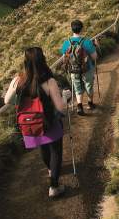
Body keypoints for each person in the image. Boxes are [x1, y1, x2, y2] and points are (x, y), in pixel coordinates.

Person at [5, 47, 67, 198]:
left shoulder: (18, 80)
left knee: (44, 148)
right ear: (43, 60)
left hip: (30, 124)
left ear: (25, 62)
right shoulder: (49, 81)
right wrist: (65, 96)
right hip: (49, 122)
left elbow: (7, 101)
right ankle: (54, 186)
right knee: (56, 152)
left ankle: (51, 171)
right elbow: (60, 108)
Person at [60, 20, 98, 116]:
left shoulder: (66, 43)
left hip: (73, 69)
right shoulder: (87, 41)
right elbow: (95, 57)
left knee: (77, 87)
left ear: (71, 29)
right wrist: (96, 46)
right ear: (82, 29)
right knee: (88, 86)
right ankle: (90, 103)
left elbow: (65, 58)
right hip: (87, 68)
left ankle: (79, 106)